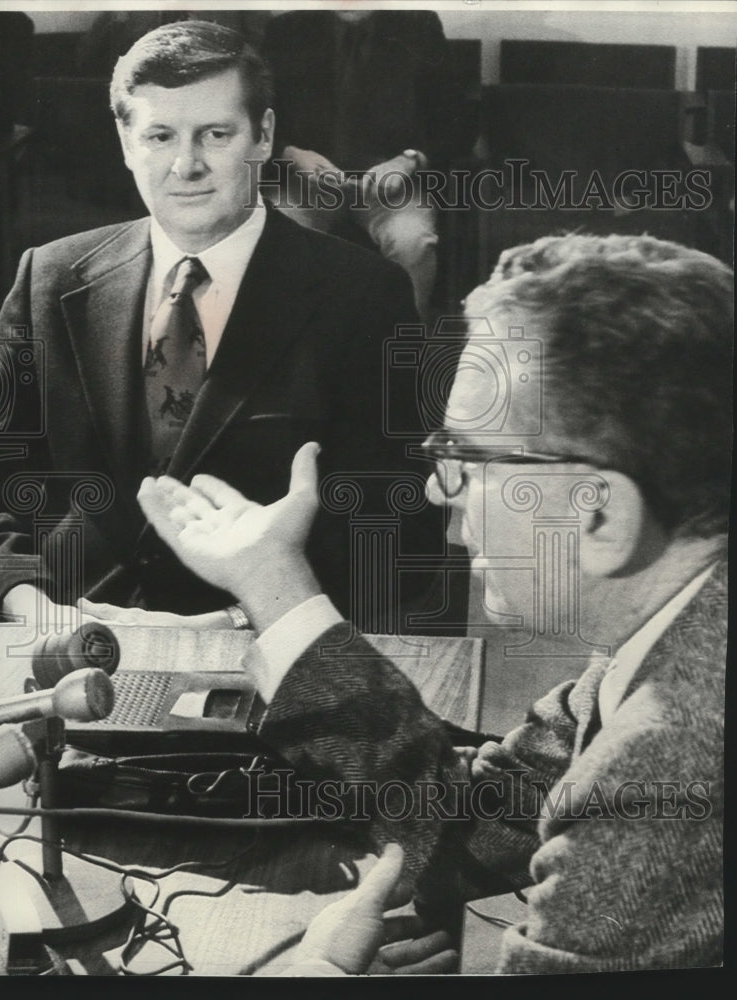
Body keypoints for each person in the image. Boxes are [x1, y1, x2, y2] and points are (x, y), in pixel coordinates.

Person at [137, 233, 730, 974]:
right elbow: (466, 827)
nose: (435, 488)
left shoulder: (663, 768)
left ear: (599, 515)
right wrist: (271, 581)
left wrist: (315, 974)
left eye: (469, 458)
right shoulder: (671, 630)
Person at [0, 20, 444, 637]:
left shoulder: (363, 296)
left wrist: (242, 617)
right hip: (62, 640)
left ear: (264, 135)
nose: (186, 164)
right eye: (159, 135)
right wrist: (34, 608)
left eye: (215, 134)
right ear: (125, 141)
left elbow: (397, 525)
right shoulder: (50, 277)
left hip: (254, 650)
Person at [262, 9, 463, 319]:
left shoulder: (419, 27)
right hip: (306, 184)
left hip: (392, 189)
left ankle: (403, 349)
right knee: (285, 240)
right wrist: (290, 154)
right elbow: (256, 116)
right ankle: (302, 354)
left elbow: (455, 121)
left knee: (414, 243)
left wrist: (409, 160)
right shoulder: (286, 30)